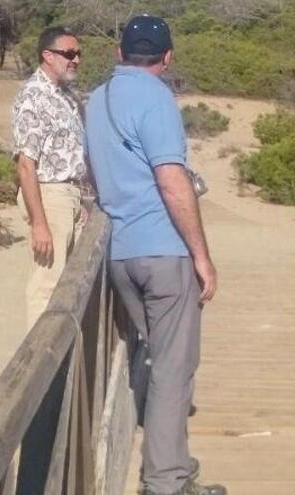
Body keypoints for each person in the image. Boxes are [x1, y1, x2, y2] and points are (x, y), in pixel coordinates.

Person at [84, 15, 225, 495]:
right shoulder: (157, 98)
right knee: (172, 369)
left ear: (120, 53)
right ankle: (165, 482)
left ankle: (174, 467)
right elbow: (171, 179)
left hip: (120, 254)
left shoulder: (97, 100)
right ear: (167, 58)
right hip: (163, 252)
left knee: (161, 363)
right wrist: (201, 255)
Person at [11, 26, 86, 330]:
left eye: (79, 53)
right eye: (69, 54)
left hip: (70, 196)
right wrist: (39, 222)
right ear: (47, 56)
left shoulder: (66, 97)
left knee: (68, 283)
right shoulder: (33, 97)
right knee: (46, 285)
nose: (76, 59)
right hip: (49, 196)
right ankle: (39, 367)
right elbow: (26, 166)